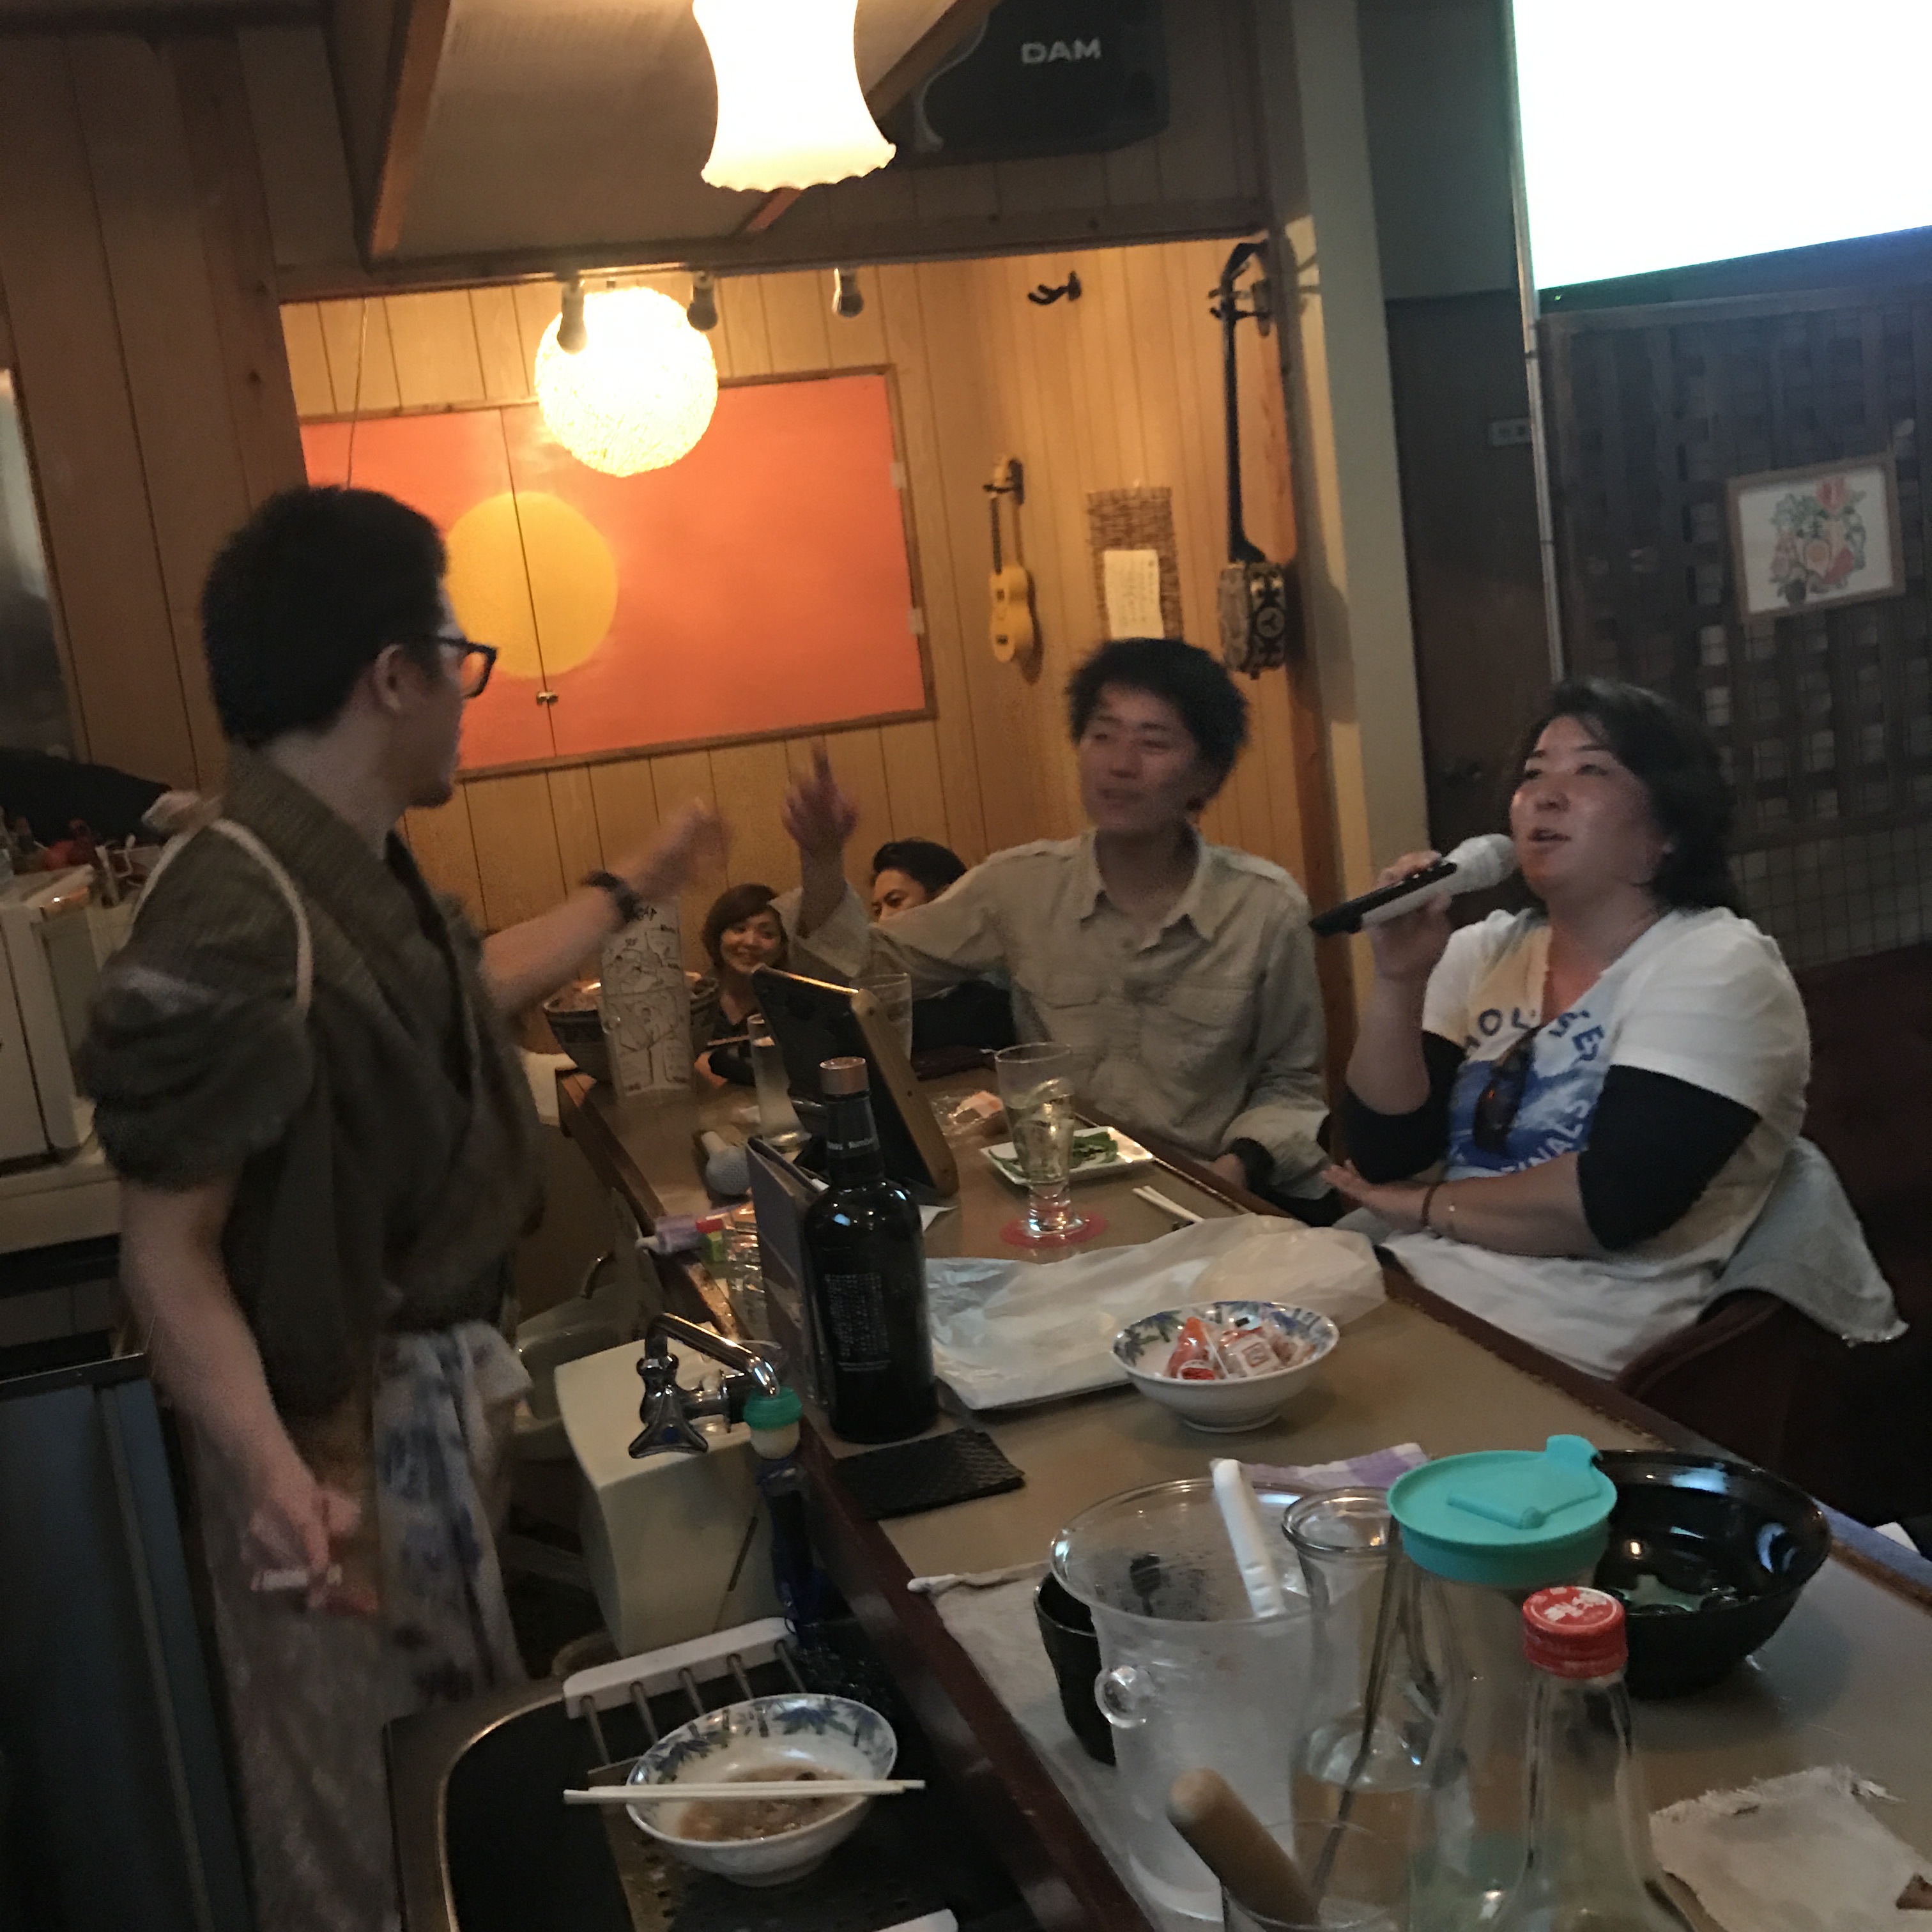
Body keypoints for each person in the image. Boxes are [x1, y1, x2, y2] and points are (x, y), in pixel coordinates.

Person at [79, 485, 724, 1932]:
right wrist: (279, 1480)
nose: (464, 696)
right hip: (328, 1450)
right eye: (461, 659)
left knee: (437, 1790)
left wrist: (633, 885)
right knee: (363, 1838)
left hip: (414, 1415)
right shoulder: (232, 910)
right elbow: (167, 1252)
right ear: (393, 674)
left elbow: (454, 991)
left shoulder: (337, 861)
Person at [1328, 677, 1810, 1379]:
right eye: (1533, 774)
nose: (1545, 796)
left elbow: (1612, 1199)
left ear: (1668, 830)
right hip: (1421, 1276)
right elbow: (1386, 1152)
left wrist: (1424, 1205)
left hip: (1579, 1323)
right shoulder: (1482, 950)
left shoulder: (1717, 963)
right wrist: (1399, 981)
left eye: (1590, 771)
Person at [782, 637, 1331, 1209]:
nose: (1120, 764)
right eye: (1102, 735)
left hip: (1207, 1198)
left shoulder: (1265, 908)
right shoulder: (1019, 886)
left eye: (1153, 742)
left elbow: (1292, 1084)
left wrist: (1233, 1170)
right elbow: (859, 979)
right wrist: (822, 860)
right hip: (1062, 1198)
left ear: (1207, 774)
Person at [868, 838, 1016, 1057]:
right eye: (877, 910)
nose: (883, 920)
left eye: (895, 901)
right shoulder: (888, 994)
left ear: (945, 901)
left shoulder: (996, 986)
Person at [691, 882, 788, 1085]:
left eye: (767, 934)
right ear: (718, 936)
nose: (751, 942)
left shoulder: (789, 1008)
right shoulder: (694, 1002)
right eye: (739, 929)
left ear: (782, 947)